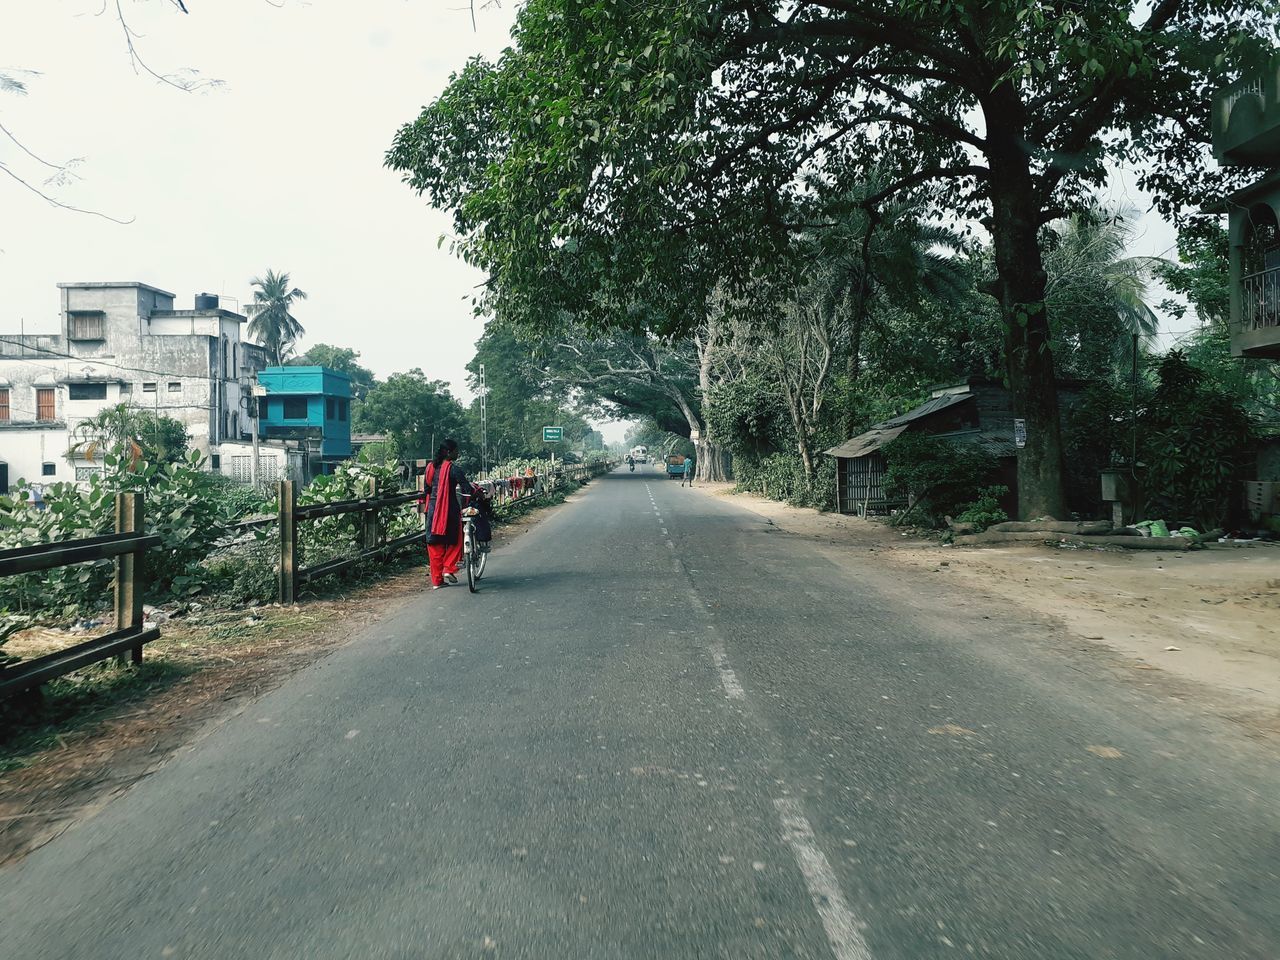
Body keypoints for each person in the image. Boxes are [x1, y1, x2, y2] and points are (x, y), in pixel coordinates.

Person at [422, 439, 472, 589]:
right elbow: (467, 489)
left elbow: (427, 490)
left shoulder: (430, 468)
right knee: (455, 540)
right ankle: (448, 569)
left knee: (434, 543)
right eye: (456, 451)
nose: (458, 453)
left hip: (432, 510)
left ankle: (437, 581)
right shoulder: (454, 469)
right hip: (448, 508)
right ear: (449, 452)